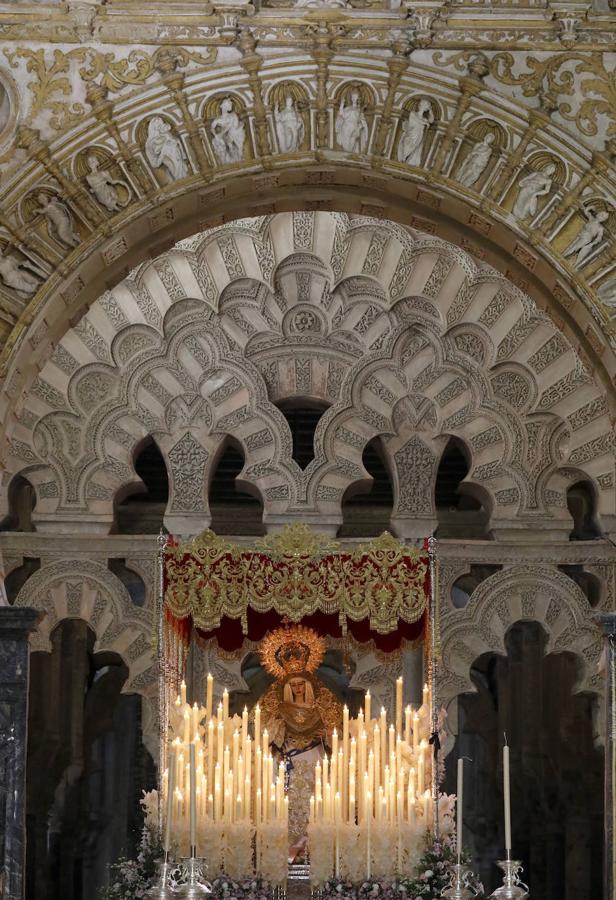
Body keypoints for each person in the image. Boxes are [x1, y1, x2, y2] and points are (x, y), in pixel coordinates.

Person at [259, 625, 341, 863]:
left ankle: (310, 845)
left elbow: (336, 735)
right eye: (292, 685)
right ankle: (289, 847)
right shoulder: (279, 709)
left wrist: (327, 734)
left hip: (313, 760)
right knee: (290, 804)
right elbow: (267, 737)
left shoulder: (321, 708)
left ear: (307, 686)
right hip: (290, 761)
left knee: (313, 802)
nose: (296, 688)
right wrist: (276, 734)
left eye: (300, 685)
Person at [145, 116, 188, 181]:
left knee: (180, 166)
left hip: (175, 153)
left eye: (160, 123)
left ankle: (183, 177)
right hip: (166, 156)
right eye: (157, 124)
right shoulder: (152, 141)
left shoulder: (165, 134)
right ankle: (179, 178)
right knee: (174, 169)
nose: (159, 125)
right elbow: (156, 150)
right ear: (153, 127)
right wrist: (166, 141)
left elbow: (174, 141)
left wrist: (169, 138)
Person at [397, 99, 434, 166]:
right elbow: (416, 120)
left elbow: (431, 121)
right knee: (408, 145)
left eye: (424, 105)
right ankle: (403, 158)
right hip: (411, 133)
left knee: (415, 147)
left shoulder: (424, 119)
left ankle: (408, 160)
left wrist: (430, 110)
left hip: (419, 134)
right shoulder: (413, 113)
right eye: (421, 104)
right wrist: (425, 123)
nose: (421, 106)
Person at [211, 97, 246, 164]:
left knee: (236, 133)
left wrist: (224, 131)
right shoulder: (217, 120)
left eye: (229, 106)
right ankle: (227, 156)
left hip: (233, 132)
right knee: (219, 140)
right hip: (223, 135)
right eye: (227, 105)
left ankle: (239, 153)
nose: (229, 107)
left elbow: (235, 126)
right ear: (223, 106)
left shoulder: (233, 115)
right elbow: (212, 128)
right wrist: (216, 135)